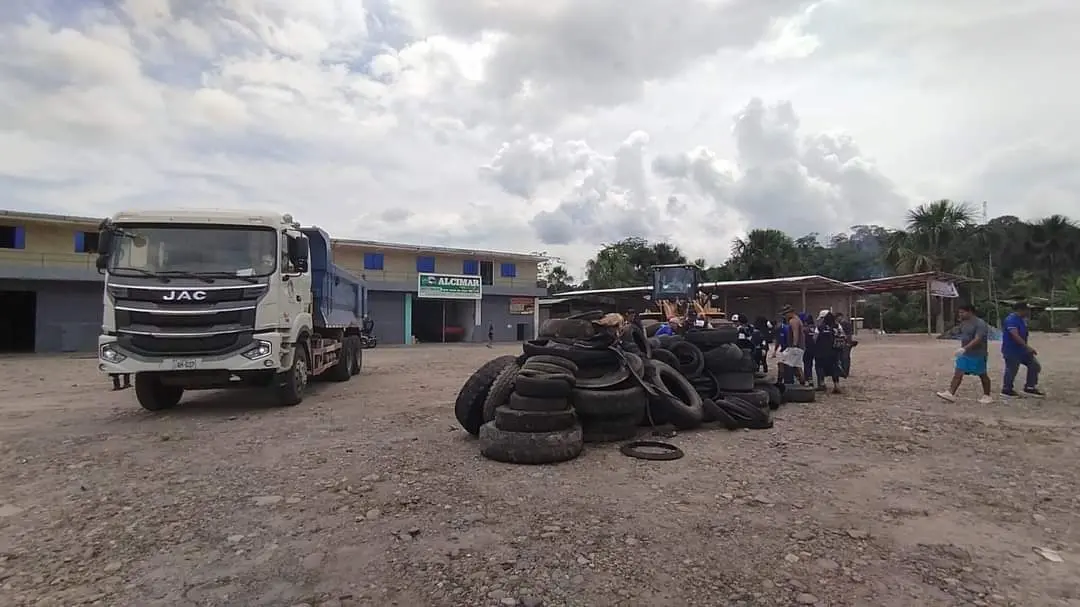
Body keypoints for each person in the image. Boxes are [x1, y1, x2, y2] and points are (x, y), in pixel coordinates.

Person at [937, 303, 993, 404]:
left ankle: (987, 395)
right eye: (959, 312)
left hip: (978, 354)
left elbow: (978, 339)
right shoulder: (964, 323)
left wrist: (964, 348)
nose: (960, 314)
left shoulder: (980, 324)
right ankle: (950, 393)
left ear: (970, 312)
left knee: (982, 374)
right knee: (958, 372)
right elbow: (958, 332)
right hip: (966, 354)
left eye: (962, 312)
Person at [1001, 301, 1044, 398]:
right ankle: (1006, 389)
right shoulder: (1011, 320)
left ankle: (1030, 387)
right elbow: (1015, 335)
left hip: (1022, 350)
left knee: (1035, 366)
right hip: (1012, 349)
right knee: (1012, 369)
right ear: (1021, 310)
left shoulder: (1022, 319)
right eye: (1027, 309)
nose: (1029, 311)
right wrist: (1027, 347)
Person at [813, 312, 844, 393]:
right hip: (834, 351)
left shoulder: (820, 327)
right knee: (834, 367)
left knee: (819, 367)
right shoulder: (837, 326)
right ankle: (836, 385)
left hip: (821, 352)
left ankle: (822, 384)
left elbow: (815, 338)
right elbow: (842, 336)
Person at [778, 305, 806, 384]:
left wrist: (794, 345)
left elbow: (795, 333)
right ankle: (803, 383)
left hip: (795, 347)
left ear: (790, 313)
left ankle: (784, 382)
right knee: (798, 366)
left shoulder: (793, 321)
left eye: (785, 314)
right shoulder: (798, 319)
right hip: (800, 346)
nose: (784, 316)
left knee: (783, 363)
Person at [835, 312, 854, 377]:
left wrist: (848, 342)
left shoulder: (845, 324)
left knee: (845, 357)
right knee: (842, 357)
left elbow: (849, 334)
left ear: (841, 317)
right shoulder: (838, 324)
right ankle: (842, 371)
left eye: (837, 317)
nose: (837, 319)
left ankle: (845, 371)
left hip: (846, 343)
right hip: (841, 343)